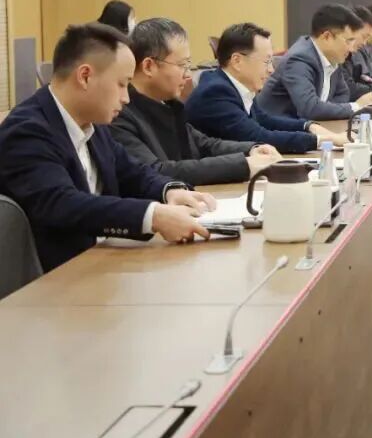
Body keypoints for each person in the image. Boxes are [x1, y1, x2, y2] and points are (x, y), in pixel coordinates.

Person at [0, 23, 217, 272]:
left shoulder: (93, 122)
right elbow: (63, 204)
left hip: (103, 264)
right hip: (59, 278)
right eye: (122, 84)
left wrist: (168, 191)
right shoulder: (27, 132)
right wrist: (153, 216)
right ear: (85, 76)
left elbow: (131, 172)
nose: (126, 98)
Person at [111, 19, 282, 187]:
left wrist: (252, 149)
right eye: (182, 65)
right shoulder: (118, 114)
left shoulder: (167, 104)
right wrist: (244, 165)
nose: (188, 75)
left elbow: (204, 144)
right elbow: (156, 171)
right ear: (149, 66)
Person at [187, 23, 350, 154]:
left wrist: (308, 126)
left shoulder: (235, 86)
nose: (271, 70)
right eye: (266, 61)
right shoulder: (216, 92)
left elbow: (265, 120)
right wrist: (323, 140)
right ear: (237, 61)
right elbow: (258, 136)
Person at [256, 5, 372, 121]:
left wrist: (328, 110)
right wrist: (356, 106)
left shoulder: (333, 57)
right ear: (326, 37)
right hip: (275, 131)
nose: (351, 48)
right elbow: (309, 108)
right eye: (348, 41)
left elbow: (342, 94)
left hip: (308, 127)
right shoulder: (299, 59)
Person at [341, 5, 372, 101]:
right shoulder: (309, 58)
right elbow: (350, 90)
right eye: (364, 36)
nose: (364, 43)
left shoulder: (348, 55)